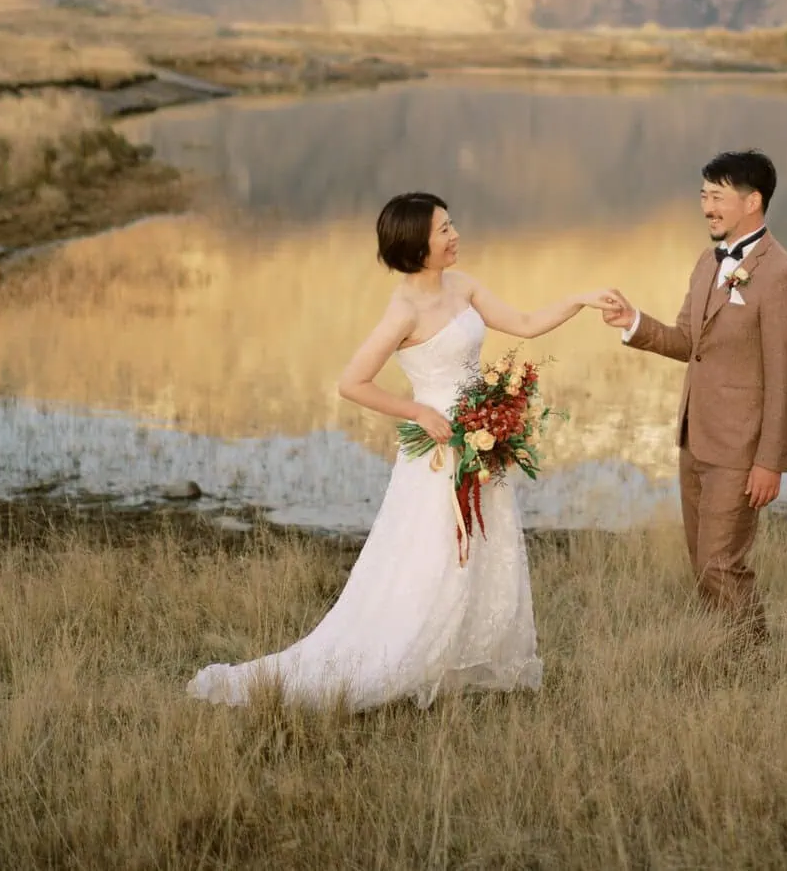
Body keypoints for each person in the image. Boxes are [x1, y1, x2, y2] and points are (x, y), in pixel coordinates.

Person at [189, 191, 609, 710]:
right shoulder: (404, 311)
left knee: (483, 542)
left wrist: (580, 300)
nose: (455, 235)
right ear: (416, 245)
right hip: (435, 452)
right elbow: (353, 382)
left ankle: (467, 657)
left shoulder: (463, 285)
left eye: (452, 225)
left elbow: (524, 324)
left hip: (477, 443)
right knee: (431, 551)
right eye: (444, 230)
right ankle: (408, 655)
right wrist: (419, 412)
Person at [600, 150, 787, 642]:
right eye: (703, 196)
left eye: (717, 197)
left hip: (741, 450)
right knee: (703, 563)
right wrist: (634, 322)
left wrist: (770, 462)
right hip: (695, 439)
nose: (707, 207)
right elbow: (687, 343)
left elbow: (785, 379)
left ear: (752, 201)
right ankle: (725, 653)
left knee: (721, 563)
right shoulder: (706, 263)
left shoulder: (783, 278)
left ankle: (753, 661)